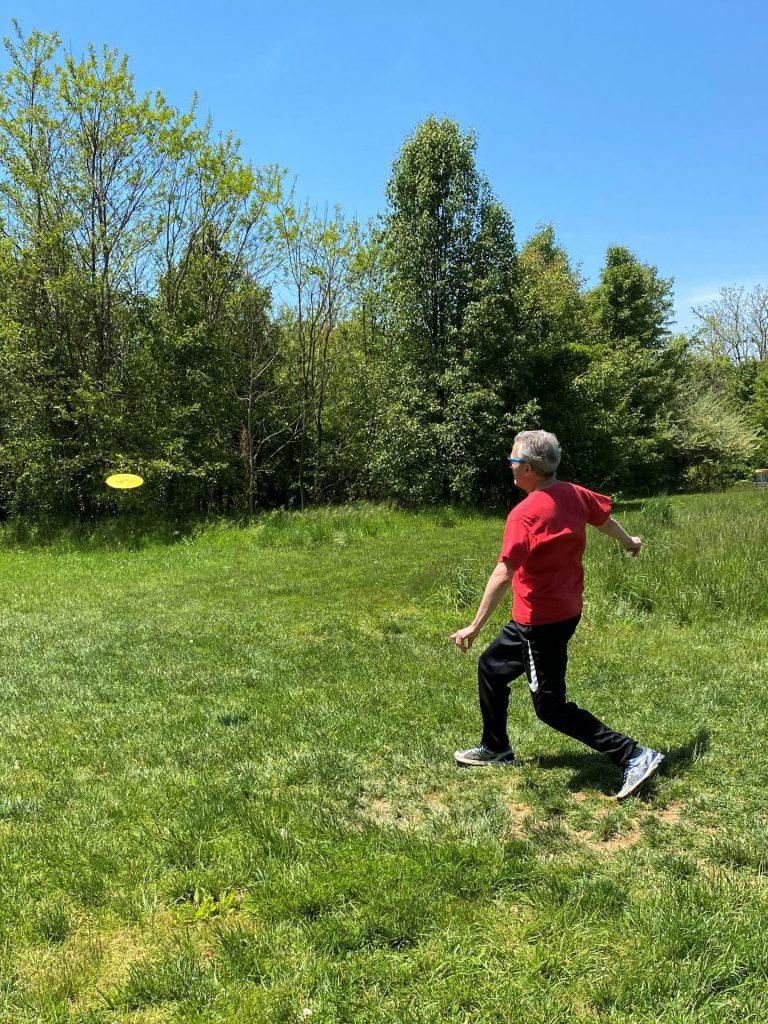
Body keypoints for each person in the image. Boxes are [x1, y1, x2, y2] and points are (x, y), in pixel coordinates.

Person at [450, 429, 663, 800]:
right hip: (560, 611)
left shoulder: (525, 515)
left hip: (540, 622)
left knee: (550, 706)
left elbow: (504, 573)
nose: (510, 466)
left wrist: (474, 624)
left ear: (529, 468)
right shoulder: (574, 493)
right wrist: (628, 542)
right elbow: (605, 522)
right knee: (492, 667)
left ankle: (633, 754)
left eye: (512, 461)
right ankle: (496, 747)